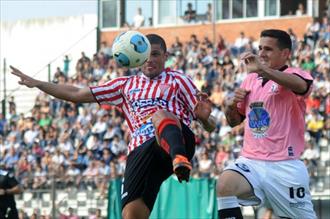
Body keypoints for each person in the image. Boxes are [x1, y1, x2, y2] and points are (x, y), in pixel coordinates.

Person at [10, 33, 216, 219]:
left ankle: (179, 159)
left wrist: (206, 119)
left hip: (177, 141)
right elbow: (76, 94)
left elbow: (210, 126)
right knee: (131, 214)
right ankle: (176, 162)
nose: (150, 60)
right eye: (146, 54)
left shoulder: (179, 80)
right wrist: (39, 84)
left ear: (165, 56)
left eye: (156, 54)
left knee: (160, 114)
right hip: (141, 151)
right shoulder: (124, 85)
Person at [216, 29, 317, 219]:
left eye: (268, 49)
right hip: (251, 161)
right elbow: (234, 121)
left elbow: (301, 86)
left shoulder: (296, 74)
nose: (261, 53)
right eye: (260, 48)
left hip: (285, 166)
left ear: (285, 53)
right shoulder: (250, 80)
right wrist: (230, 107)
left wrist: (264, 71)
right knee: (225, 184)